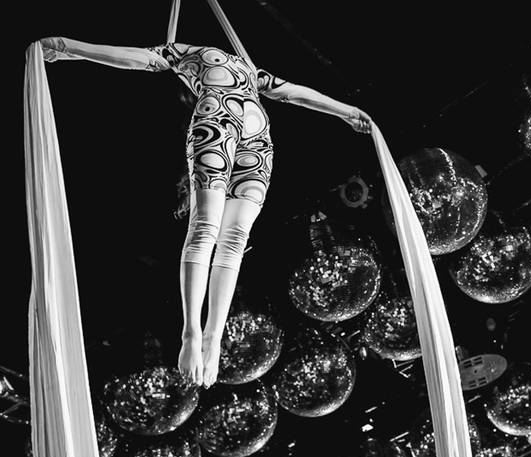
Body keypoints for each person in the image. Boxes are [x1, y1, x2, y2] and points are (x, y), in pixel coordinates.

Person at [39, 37, 374, 388]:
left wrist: (347, 111)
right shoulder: (189, 54)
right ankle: (191, 333)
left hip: (258, 142)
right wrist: (68, 48)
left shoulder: (252, 72)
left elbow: (293, 93)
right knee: (205, 230)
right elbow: (137, 58)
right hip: (219, 123)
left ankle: (213, 335)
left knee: (234, 239)